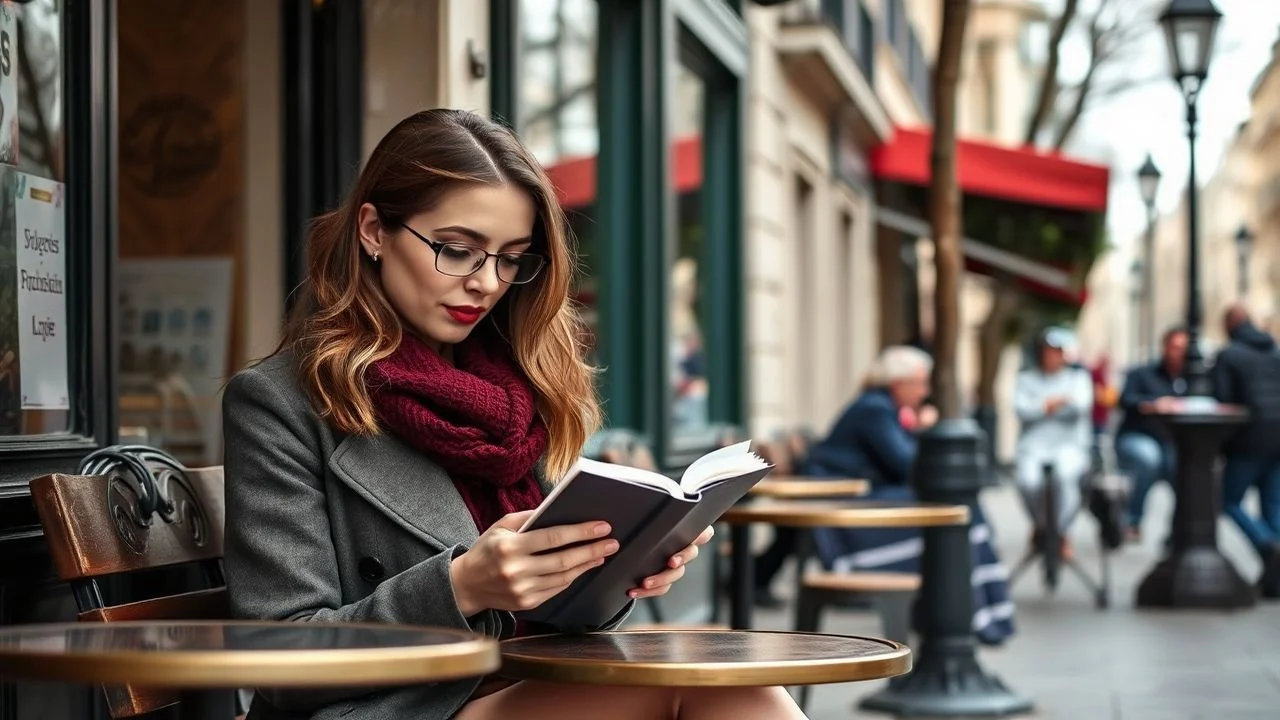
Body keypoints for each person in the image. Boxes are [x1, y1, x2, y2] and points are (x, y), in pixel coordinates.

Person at [222, 109, 805, 719]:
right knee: (704, 680)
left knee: (730, 672)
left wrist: (623, 566)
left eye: (510, 258)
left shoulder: (518, 388)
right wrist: (461, 586)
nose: (486, 282)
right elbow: (279, 655)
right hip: (403, 705)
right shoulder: (284, 402)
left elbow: (560, 620)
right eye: (457, 249)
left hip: (527, 683)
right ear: (373, 230)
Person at [803, 346, 1015, 646]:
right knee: (954, 510)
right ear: (899, 383)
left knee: (960, 509)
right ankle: (972, 616)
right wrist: (920, 429)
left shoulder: (880, 407)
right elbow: (907, 465)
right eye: (920, 384)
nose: (924, 392)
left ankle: (976, 613)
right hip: (844, 514)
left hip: (856, 499)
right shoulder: (874, 409)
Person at [1211, 304, 1280, 599]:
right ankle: (1275, 581)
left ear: (1229, 325)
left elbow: (1223, 401)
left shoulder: (1229, 356)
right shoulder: (1274, 351)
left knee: (1229, 500)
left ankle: (1267, 544)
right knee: (1274, 506)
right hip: (1278, 435)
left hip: (1249, 438)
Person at [1012, 327, 1094, 558]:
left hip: (1069, 446)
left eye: (1056, 351)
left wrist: (1044, 405)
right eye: (1047, 351)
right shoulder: (1026, 379)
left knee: (1065, 478)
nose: (1052, 356)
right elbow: (1022, 410)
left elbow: (1080, 406)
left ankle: (1062, 532)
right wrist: (1054, 404)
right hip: (1033, 447)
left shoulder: (1077, 378)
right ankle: (1041, 525)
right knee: (1028, 482)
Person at [1114, 326, 1188, 541]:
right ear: (1165, 347)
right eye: (1174, 347)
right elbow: (1125, 400)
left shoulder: (1191, 376)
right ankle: (1132, 519)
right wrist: (1152, 405)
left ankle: (1179, 529)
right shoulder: (1142, 373)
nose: (1178, 353)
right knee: (1148, 459)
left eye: (1183, 348)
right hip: (1138, 434)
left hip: (1172, 439)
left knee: (1184, 468)